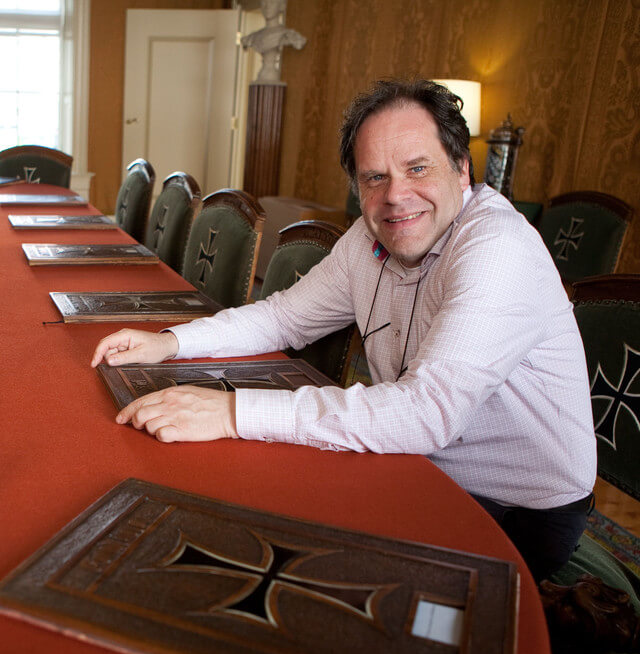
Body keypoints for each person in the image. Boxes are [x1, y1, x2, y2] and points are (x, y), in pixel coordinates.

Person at [90, 79, 597, 581]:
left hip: (514, 510)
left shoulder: (498, 249)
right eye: (374, 177)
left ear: (462, 171)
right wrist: (171, 343)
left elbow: (426, 414)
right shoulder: (368, 237)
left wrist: (231, 410)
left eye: (417, 168)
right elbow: (282, 317)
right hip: (416, 464)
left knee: (307, 569)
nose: (396, 196)